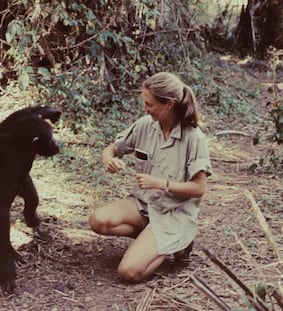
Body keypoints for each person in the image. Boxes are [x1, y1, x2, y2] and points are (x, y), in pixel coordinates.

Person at [89, 72, 212, 283]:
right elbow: (113, 149)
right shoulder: (146, 125)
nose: (145, 109)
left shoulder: (193, 138)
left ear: (169, 105)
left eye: (150, 104)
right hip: (144, 204)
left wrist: (161, 184)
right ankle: (154, 243)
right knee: (98, 221)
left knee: (129, 272)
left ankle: (176, 243)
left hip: (173, 212)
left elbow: (199, 188)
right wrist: (108, 159)